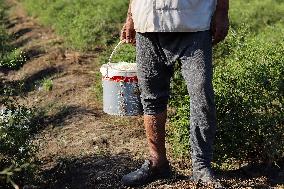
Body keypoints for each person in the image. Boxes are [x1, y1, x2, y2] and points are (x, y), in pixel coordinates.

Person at [120, 0, 229, 188]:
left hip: (194, 20)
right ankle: (158, 162)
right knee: (151, 97)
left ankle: (201, 166)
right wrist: (130, 16)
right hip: (148, 20)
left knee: (201, 94)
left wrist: (222, 11)